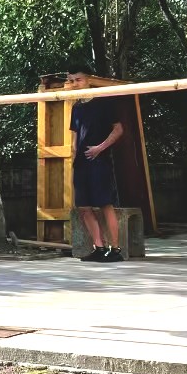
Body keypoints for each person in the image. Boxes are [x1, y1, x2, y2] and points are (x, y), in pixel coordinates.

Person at [66, 64, 125, 263]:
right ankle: (99, 247)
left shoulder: (103, 102)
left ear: (88, 79)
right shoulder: (76, 107)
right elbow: (75, 137)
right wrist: (74, 158)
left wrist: (100, 147)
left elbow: (118, 129)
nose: (75, 84)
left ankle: (115, 249)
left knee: (105, 204)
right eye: (72, 81)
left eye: (78, 80)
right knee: (83, 207)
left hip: (100, 161)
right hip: (81, 163)